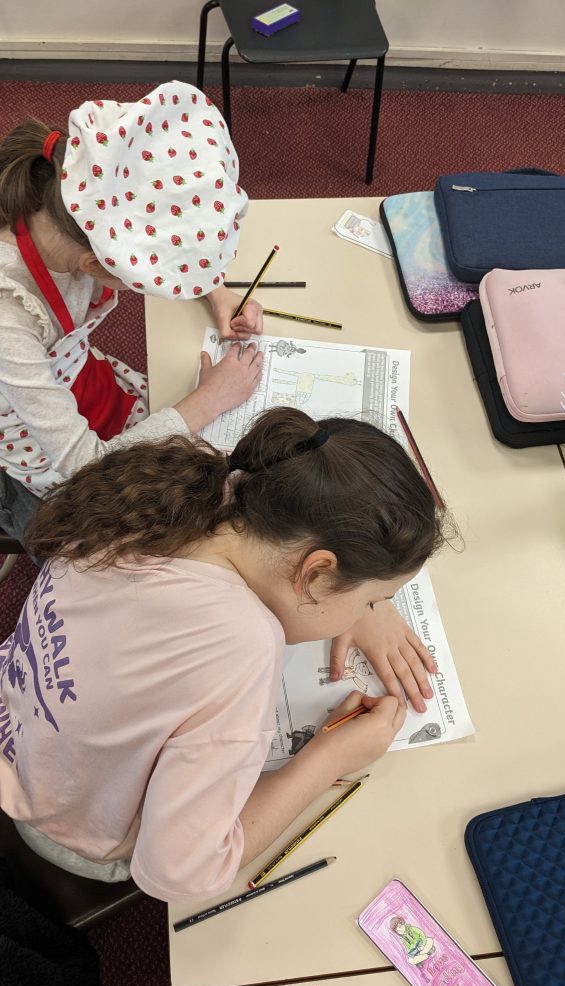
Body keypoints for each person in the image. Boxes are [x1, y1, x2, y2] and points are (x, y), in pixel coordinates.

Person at [0, 407, 451, 902]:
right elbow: (177, 875)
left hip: (17, 732)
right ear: (316, 573)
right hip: (68, 828)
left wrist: (356, 598)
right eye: (373, 600)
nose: (369, 612)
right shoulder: (240, 647)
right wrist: (329, 758)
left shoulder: (196, 481)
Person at [0, 80, 264, 542]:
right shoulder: (10, 317)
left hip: (78, 383)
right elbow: (84, 466)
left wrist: (217, 293)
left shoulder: (67, 203)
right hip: (38, 445)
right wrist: (209, 399)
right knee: (145, 541)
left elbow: (160, 218)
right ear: (94, 265)